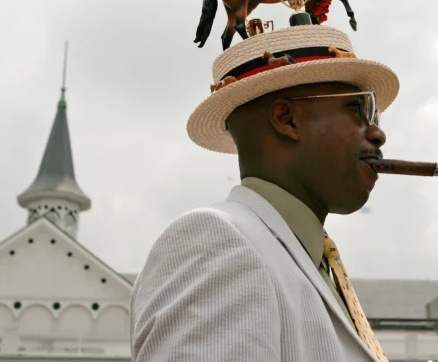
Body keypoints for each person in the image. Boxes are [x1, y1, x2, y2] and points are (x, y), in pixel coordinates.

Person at [130, 24, 400, 361]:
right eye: (357, 110)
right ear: (287, 119)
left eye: (375, 114)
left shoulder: (304, 261)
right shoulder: (219, 242)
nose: (377, 134)